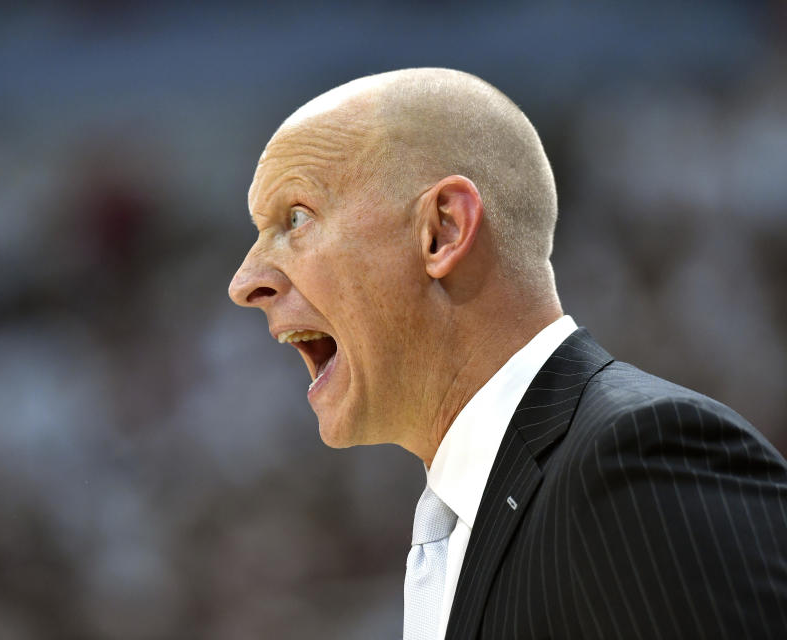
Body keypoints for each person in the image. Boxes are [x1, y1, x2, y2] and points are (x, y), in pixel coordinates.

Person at [227, 68, 787, 640]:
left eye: (296, 218)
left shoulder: (636, 457)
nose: (245, 282)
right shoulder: (480, 511)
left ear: (443, 231)